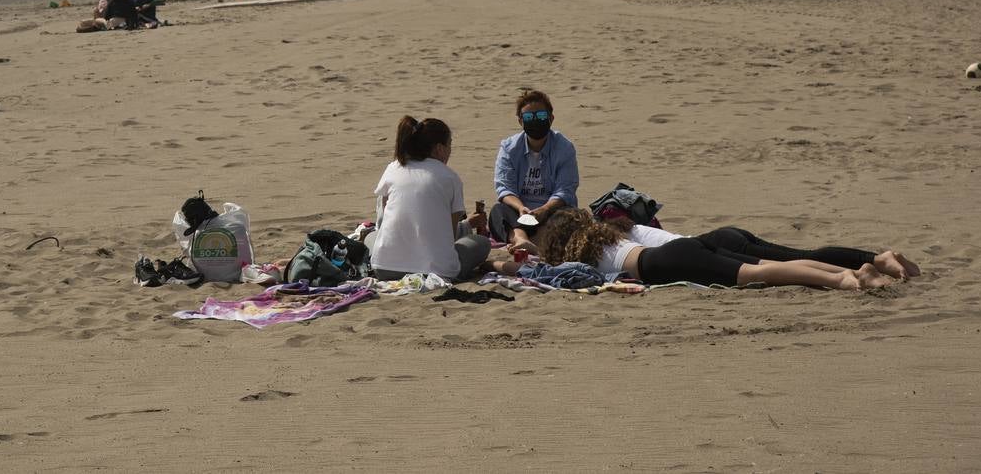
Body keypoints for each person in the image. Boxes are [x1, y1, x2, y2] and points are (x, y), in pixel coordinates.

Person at [497, 208, 897, 291]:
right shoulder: (607, 232)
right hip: (684, 246)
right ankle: (850, 270)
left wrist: (522, 246)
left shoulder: (576, 254)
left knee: (761, 274)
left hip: (661, 264)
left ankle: (845, 279)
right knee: (771, 262)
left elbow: (545, 271)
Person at [367, 116, 492, 282]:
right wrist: (468, 225)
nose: (450, 151)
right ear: (439, 149)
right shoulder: (449, 177)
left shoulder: (393, 167)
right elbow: (450, 234)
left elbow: (383, 223)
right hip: (436, 272)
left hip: (385, 269)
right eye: (449, 145)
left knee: (371, 237)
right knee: (482, 243)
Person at [489, 90, 578, 248]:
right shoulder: (509, 148)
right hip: (520, 213)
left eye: (541, 116)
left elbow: (565, 189)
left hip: (552, 211)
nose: (535, 121)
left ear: (551, 118)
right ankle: (521, 239)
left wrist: (544, 209)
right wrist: (521, 208)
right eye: (529, 117)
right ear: (520, 121)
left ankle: (535, 240)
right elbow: (504, 188)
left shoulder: (564, 147)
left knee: (571, 216)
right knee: (498, 211)